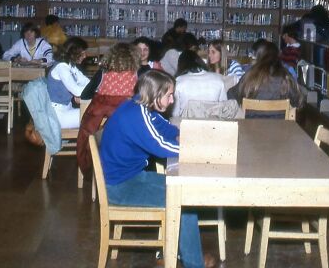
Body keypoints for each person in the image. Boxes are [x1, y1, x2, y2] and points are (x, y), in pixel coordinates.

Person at [100, 71, 216, 268]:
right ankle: (193, 263)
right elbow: (160, 146)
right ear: (155, 94)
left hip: (132, 177)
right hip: (121, 187)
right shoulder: (136, 114)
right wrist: (197, 150)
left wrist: (181, 135)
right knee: (184, 203)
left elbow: (166, 129)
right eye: (169, 95)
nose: (171, 101)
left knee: (184, 195)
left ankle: (179, 253)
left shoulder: (140, 106)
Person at [77, 43, 139, 175]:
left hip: (100, 118)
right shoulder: (136, 74)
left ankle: (95, 166)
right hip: (125, 121)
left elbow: (85, 94)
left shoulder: (103, 72)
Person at [227, 40, 304, 114]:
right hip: (280, 125)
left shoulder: (250, 74)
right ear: (278, 56)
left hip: (250, 125)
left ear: (258, 56)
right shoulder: (285, 76)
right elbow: (299, 101)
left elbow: (231, 95)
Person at [46, 37, 90, 128]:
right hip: (57, 115)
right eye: (83, 53)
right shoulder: (61, 67)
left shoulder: (70, 65)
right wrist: (95, 90)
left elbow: (86, 81)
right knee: (94, 116)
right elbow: (77, 91)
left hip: (66, 109)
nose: (85, 56)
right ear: (74, 53)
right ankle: (90, 141)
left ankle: (89, 141)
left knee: (95, 114)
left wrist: (98, 87)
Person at [173, 49, 227, 117]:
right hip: (213, 125)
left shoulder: (178, 82)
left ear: (181, 65)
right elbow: (225, 108)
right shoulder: (218, 80)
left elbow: (175, 115)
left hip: (186, 125)